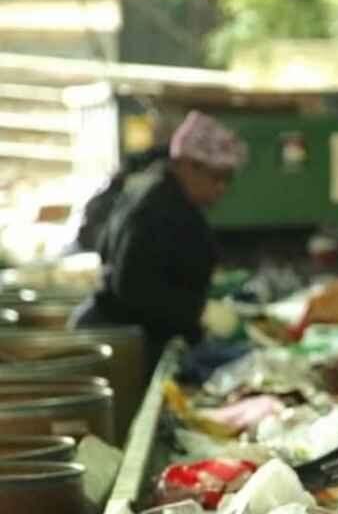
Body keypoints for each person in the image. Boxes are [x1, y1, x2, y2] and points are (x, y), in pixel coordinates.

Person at [69, 111, 248, 375]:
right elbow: (133, 287)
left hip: (125, 334)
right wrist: (199, 310)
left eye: (227, 179)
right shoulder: (157, 207)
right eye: (215, 177)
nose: (221, 188)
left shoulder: (162, 192)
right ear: (186, 164)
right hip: (118, 342)